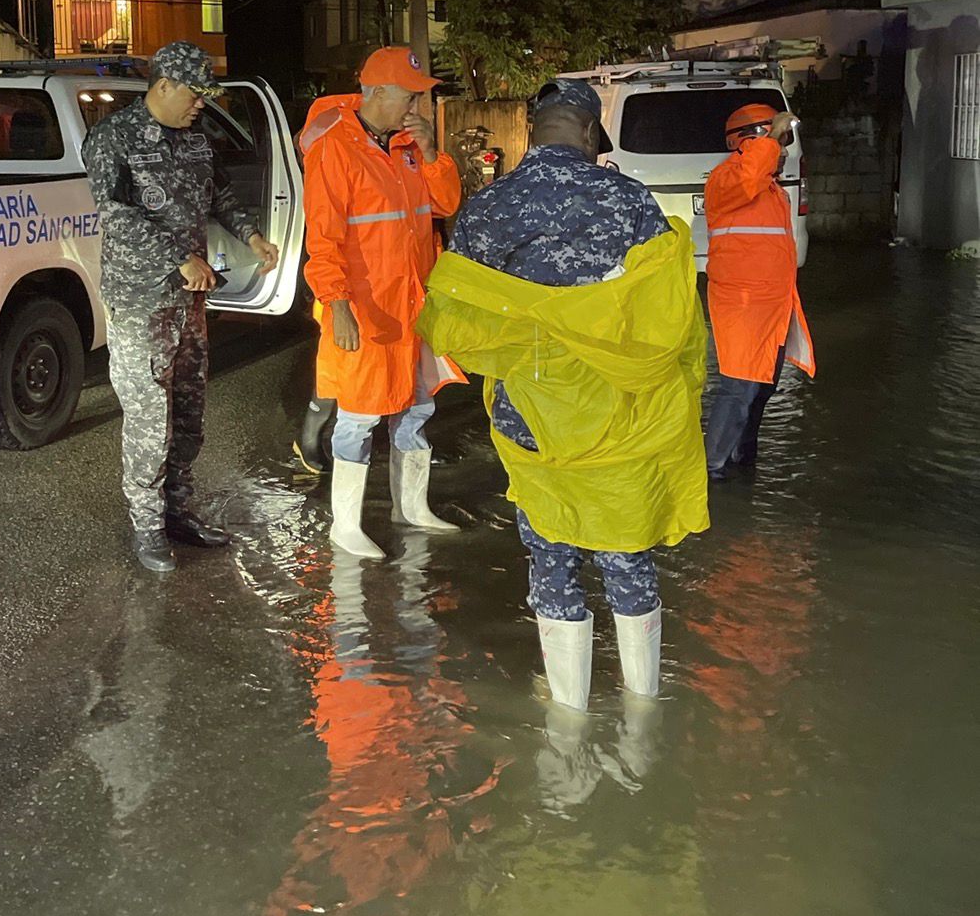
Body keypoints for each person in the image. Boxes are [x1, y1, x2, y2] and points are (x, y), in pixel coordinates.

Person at [420, 79, 709, 710]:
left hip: (532, 409)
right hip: (619, 409)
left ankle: (570, 715)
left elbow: (454, 317)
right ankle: (643, 706)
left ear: (532, 128)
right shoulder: (632, 201)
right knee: (625, 546)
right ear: (587, 131)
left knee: (551, 547)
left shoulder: (489, 207)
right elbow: (671, 313)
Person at [82, 41, 280, 573]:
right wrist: (178, 258)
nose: (200, 105)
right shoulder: (113, 138)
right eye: (195, 94)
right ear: (164, 84)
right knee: (151, 418)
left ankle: (177, 513)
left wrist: (253, 234)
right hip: (141, 299)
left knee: (189, 411)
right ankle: (147, 528)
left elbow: (218, 196)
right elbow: (115, 213)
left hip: (189, 300)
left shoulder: (196, 138)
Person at [301, 47, 463, 560]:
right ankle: (345, 525)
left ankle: (410, 508)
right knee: (359, 415)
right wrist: (338, 303)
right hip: (365, 308)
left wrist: (434, 153)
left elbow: (445, 204)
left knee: (417, 406)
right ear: (376, 93)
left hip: (413, 305)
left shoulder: (408, 147)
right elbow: (322, 239)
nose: (417, 105)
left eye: (420, 96)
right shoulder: (336, 149)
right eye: (410, 95)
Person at [703, 104, 815, 480]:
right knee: (738, 388)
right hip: (743, 303)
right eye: (778, 142)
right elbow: (750, 171)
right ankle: (711, 470)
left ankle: (742, 464)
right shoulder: (726, 181)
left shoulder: (772, 193)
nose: (783, 152)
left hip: (773, 304)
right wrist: (771, 137)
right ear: (749, 142)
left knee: (760, 389)